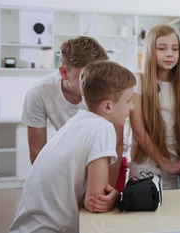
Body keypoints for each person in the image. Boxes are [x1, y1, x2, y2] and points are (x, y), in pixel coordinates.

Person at [10, 61, 135, 233]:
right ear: (107, 106)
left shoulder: (78, 121)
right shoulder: (102, 128)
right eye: (128, 100)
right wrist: (115, 198)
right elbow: (95, 201)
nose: (132, 106)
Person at [21, 36, 127, 191]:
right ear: (64, 73)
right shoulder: (38, 93)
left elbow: (116, 145)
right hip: (64, 164)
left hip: (101, 162)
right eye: (85, 76)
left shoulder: (106, 88)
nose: (97, 84)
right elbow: (37, 154)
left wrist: (107, 190)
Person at [129, 25, 180, 189]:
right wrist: (165, 164)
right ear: (151, 50)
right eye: (162, 48)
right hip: (145, 164)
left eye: (175, 49)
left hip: (176, 166)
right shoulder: (138, 83)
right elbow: (139, 132)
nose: (169, 54)